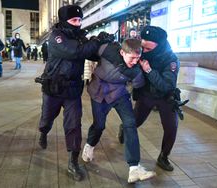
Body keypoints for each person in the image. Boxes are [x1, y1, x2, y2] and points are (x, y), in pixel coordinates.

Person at [37, 5, 104, 181]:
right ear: (64, 21)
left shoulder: (80, 37)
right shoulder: (56, 37)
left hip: (73, 90)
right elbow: (75, 51)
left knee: (73, 125)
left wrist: (103, 44)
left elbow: (92, 53)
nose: (78, 23)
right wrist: (94, 43)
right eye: (74, 20)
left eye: (80, 20)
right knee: (47, 118)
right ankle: (43, 132)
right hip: (53, 88)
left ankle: (73, 162)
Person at [82, 38, 156, 183]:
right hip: (99, 93)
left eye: (138, 58)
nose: (135, 61)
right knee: (99, 125)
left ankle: (134, 168)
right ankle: (90, 145)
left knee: (130, 124)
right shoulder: (107, 50)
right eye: (132, 57)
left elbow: (138, 84)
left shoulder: (136, 69)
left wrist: (143, 71)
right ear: (122, 52)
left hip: (119, 94)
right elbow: (87, 50)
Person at [118, 26, 180, 172]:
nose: (143, 51)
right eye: (142, 46)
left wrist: (149, 71)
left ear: (158, 44)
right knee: (134, 122)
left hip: (166, 98)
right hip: (146, 95)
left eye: (147, 48)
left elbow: (166, 85)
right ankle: (123, 128)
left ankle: (163, 157)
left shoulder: (170, 59)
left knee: (171, 128)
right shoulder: (143, 52)